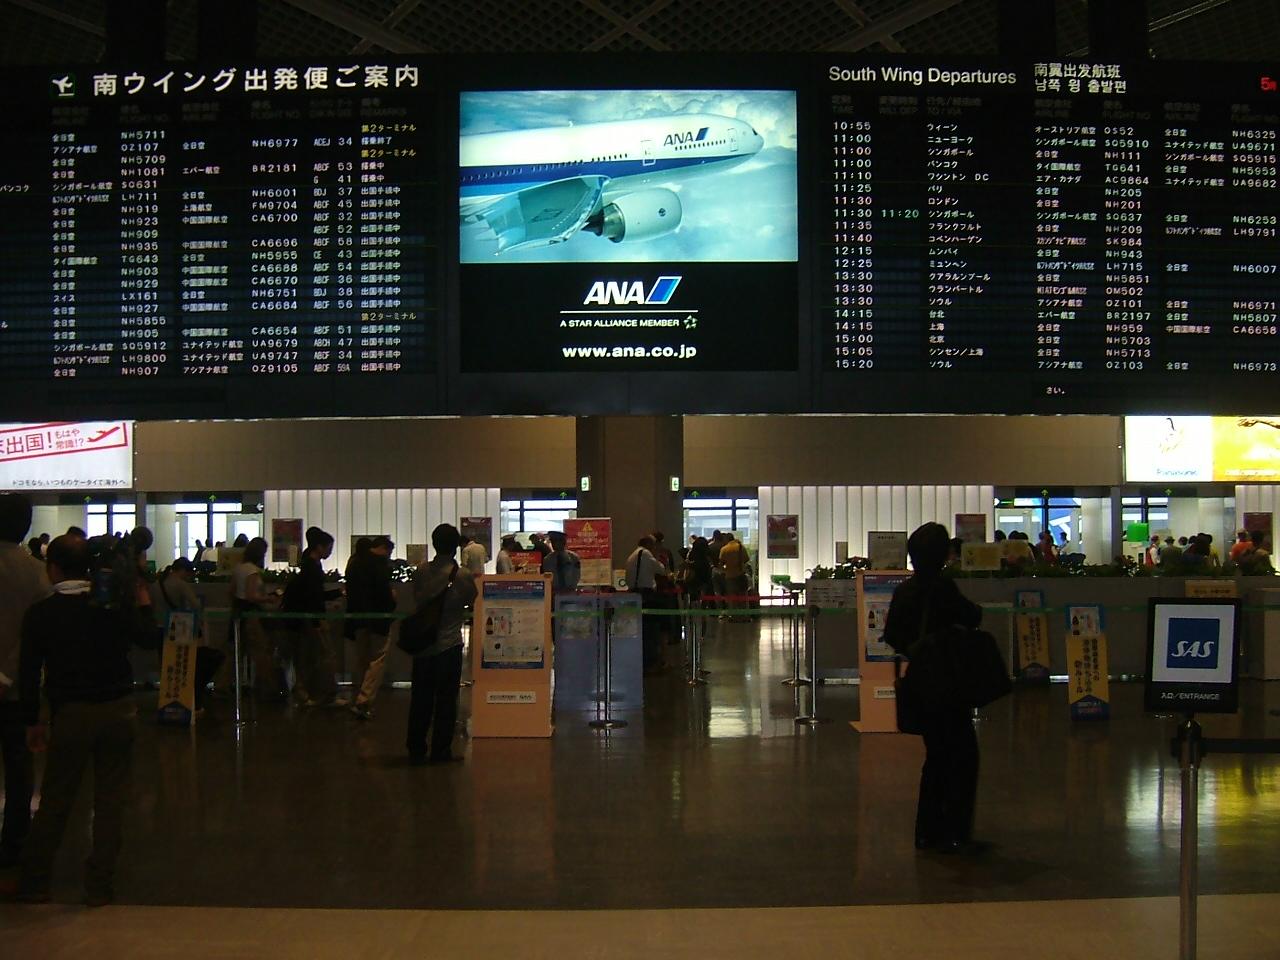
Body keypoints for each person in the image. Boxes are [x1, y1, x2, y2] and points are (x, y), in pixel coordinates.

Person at [16, 535, 157, 905]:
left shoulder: (42, 614)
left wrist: (33, 721)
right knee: (110, 801)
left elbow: (29, 673)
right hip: (119, 709)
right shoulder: (110, 606)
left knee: (56, 798)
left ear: (53, 569)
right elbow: (148, 638)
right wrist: (143, 603)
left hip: (71, 713)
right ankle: (99, 884)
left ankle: (35, 881)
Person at [883, 522, 985, 857]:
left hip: (920, 680)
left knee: (936, 756)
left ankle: (926, 832)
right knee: (963, 756)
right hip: (949, 681)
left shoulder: (904, 591)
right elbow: (972, 617)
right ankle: (955, 833)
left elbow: (893, 634)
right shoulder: (944, 588)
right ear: (943, 555)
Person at [0, 494, 51, 869]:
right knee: (19, 770)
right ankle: (14, 844)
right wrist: (6, 675)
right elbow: (34, 638)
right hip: (18, 690)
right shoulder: (38, 573)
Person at [406, 524, 476, 765]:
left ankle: (416, 748)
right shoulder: (462, 575)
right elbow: (471, 599)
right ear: (456, 547)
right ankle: (441, 750)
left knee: (420, 699)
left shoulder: (421, 571)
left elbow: (417, 597)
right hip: (449, 645)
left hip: (423, 645)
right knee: (446, 700)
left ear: (434, 544)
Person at [281, 527, 344, 707]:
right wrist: (319, 620)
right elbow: (314, 597)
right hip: (311, 619)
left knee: (308, 656)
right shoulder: (313, 568)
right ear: (319, 547)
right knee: (322, 656)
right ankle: (324, 693)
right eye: (329, 548)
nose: (330, 552)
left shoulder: (308, 565)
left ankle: (307, 693)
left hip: (303, 618)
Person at [153, 557, 224, 711]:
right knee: (178, 663)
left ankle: (166, 699)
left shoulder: (156, 584)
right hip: (176, 629)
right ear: (183, 571)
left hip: (158, 628)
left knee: (164, 663)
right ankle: (182, 698)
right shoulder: (180, 585)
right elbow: (196, 605)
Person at [348, 536, 398, 720]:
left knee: (361, 659)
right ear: (383, 548)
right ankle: (364, 700)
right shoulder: (380, 566)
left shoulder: (354, 562)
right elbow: (385, 595)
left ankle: (357, 695)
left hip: (358, 619)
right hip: (378, 621)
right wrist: (393, 600)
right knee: (377, 660)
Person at [232, 538, 283, 700]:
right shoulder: (252, 571)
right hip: (252, 615)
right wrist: (268, 598)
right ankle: (267, 687)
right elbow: (251, 595)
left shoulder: (238, 568)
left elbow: (232, 591)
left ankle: (224, 686)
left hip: (238, 612)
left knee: (236, 651)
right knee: (261, 652)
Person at [625, 536, 669, 672]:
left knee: (639, 629)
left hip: (633, 594)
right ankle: (652, 662)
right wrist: (658, 556)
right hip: (647, 595)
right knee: (652, 629)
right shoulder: (646, 554)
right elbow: (661, 569)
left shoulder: (632, 555)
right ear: (650, 545)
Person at [719, 534, 750, 620]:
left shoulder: (724, 549)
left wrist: (725, 570)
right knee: (743, 596)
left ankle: (734, 616)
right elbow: (746, 559)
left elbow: (721, 563)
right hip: (741, 575)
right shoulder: (741, 547)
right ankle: (744, 616)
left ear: (726, 539)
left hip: (729, 576)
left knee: (732, 598)